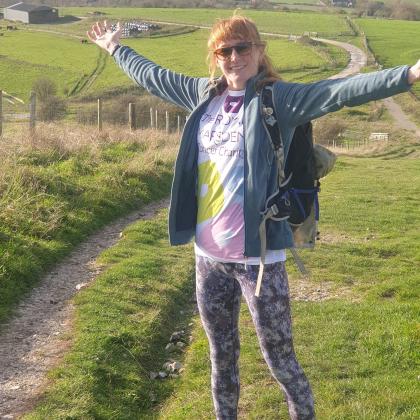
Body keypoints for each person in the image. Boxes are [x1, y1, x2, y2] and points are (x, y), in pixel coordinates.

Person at [87, 15, 420, 420]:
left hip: (259, 260)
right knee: (220, 356)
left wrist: (409, 73)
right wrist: (115, 48)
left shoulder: (278, 100)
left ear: (259, 50)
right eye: (223, 50)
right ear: (215, 57)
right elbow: (153, 76)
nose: (233, 57)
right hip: (208, 257)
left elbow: (339, 92)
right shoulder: (202, 95)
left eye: (242, 47)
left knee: (280, 360)